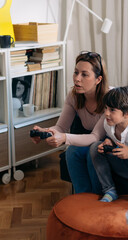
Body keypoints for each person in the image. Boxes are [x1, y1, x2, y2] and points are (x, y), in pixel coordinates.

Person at [31, 51, 109, 194]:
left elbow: (95, 137)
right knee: (72, 151)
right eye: (76, 72)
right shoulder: (74, 96)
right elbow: (61, 127)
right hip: (91, 141)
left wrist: (65, 138)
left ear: (98, 79)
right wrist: (46, 132)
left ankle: (97, 200)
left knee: (94, 150)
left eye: (84, 74)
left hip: (106, 143)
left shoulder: (109, 99)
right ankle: (82, 197)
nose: (77, 79)